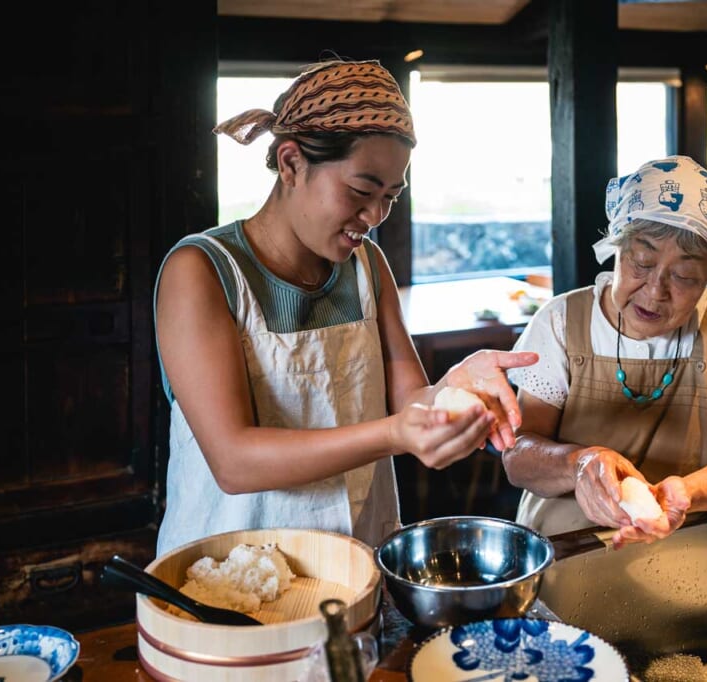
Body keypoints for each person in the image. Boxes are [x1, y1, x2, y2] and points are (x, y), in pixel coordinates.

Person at [153, 59, 537, 556]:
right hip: (230, 570)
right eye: (361, 191)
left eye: (391, 197)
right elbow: (234, 461)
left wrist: (451, 392)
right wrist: (396, 433)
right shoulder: (202, 271)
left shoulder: (367, 267)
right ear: (291, 163)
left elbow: (411, 403)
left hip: (356, 560)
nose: (375, 216)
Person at [502, 155, 707, 547]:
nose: (655, 291)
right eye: (642, 263)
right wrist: (578, 464)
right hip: (562, 547)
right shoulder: (560, 322)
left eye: (685, 277)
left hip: (683, 549)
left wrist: (685, 493)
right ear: (616, 245)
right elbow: (519, 455)